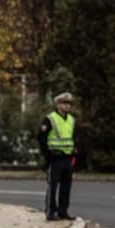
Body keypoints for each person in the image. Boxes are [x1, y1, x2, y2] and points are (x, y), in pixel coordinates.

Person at [38, 91, 78, 221]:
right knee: (53, 185)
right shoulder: (50, 119)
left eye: (69, 103)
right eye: (64, 103)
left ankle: (63, 211)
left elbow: (73, 137)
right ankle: (50, 212)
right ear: (58, 104)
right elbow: (42, 138)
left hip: (67, 158)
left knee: (66, 186)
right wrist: (48, 155)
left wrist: (74, 152)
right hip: (55, 157)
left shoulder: (71, 119)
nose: (67, 106)